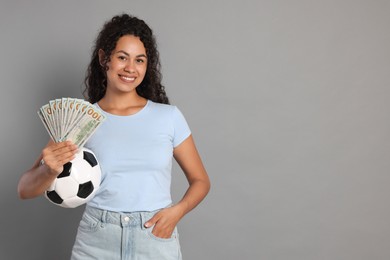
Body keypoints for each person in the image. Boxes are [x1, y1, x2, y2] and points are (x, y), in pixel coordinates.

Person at [17, 14, 210, 260]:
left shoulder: (168, 117)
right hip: (97, 239)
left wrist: (177, 212)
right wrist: (49, 171)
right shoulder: (80, 119)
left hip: (154, 237)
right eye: (122, 57)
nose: (130, 68)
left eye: (139, 60)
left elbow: (201, 181)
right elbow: (24, 189)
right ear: (103, 59)